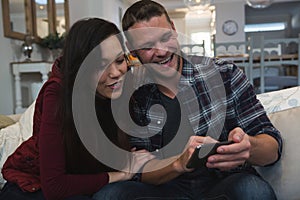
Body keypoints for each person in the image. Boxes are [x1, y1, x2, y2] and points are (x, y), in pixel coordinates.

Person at [93, 1, 282, 200]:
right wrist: (179, 163)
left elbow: (272, 148)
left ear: (174, 30)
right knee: (109, 195)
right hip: (166, 188)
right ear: (132, 50)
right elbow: (142, 171)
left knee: (253, 190)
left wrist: (248, 147)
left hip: (224, 183)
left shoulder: (225, 74)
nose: (162, 52)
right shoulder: (135, 94)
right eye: (147, 47)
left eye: (165, 38)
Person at [0, 18, 154, 200]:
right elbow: (55, 187)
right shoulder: (57, 94)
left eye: (119, 60)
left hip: (78, 183)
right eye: (101, 65)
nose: (115, 72)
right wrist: (121, 174)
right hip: (30, 187)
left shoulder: (119, 86)